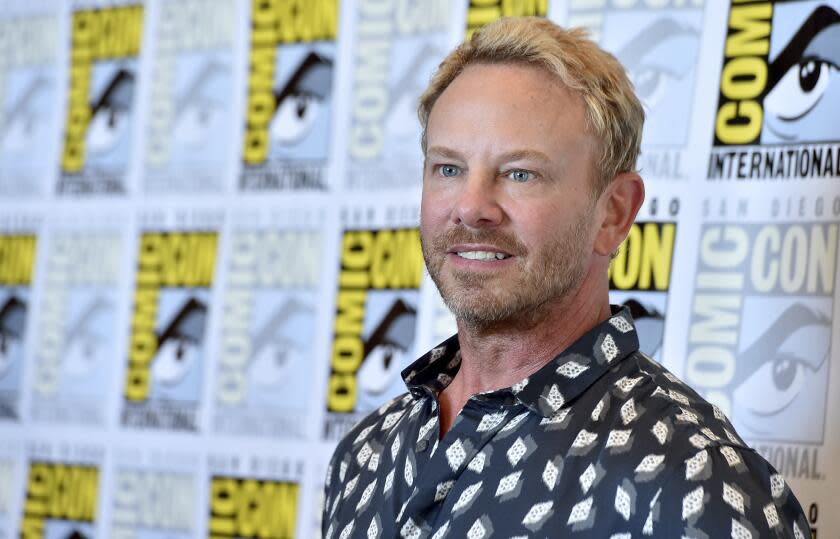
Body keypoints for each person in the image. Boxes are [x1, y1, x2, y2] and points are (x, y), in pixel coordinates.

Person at [322, 17, 810, 538]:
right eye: (448, 168)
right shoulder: (367, 453)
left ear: (614, 213)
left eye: (520, 173)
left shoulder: (696, 485)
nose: (471, 206)